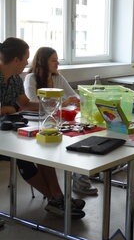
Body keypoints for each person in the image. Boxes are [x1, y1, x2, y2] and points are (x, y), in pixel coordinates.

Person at [0, 38, 85, 219]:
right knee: (25, 159)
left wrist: (51, 103)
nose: (27, 63)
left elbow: (25, 104)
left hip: (9, 128)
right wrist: (9, 109)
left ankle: (57, 198)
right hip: (4, 134)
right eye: (25, 59)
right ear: (16, 60)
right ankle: (57, 198)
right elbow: (14, 108)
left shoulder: (14, 79)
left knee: (42, 149)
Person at [24, 47, 98, 196]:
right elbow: (32, 103)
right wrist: (62, 103)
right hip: (35, 122)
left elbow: (73, 95)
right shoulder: (31, 78)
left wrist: (78, 101)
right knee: (65, 141)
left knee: (80, 136)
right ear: (43, 61)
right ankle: (70, 185)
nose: (57, 63)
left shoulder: (57, 77)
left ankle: (80, 179)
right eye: (53, 60)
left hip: (58, 120)